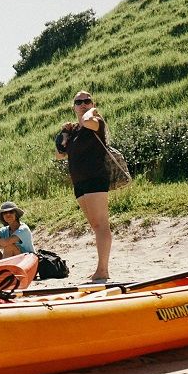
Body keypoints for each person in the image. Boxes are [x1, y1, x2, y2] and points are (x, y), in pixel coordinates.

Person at [56, 90, 112, 282]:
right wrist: (65, 133)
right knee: (95, 225)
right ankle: (100, 269)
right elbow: (60, 154)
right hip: (79, 182)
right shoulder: (76, 131)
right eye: (78, 102)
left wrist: (90, 112)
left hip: (95, 178)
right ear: (73, 106)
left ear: (92, 103)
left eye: (86, 101)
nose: (82, 104)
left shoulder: (96, 122)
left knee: (101, 224)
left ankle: (103, 270)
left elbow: (88, 121)